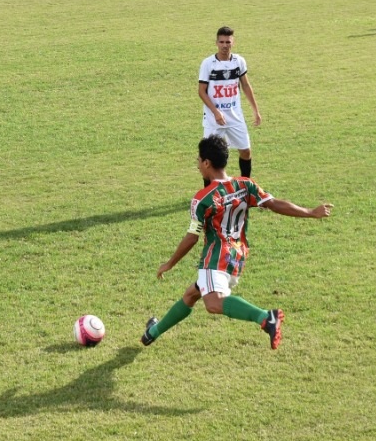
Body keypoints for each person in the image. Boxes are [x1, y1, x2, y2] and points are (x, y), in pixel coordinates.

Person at [140, 135, 332, 350]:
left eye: (198, 160)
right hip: (236, 257)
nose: (197, 165)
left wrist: (170, 263)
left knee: (213, 303)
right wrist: (310, 212)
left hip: (215, 257)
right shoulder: (245, 185)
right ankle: (152, 332)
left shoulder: (202, 198)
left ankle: (266, 317)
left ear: (206, 163)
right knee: (192, 294)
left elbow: (192, 237)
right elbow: (275, 204)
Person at [198, 26, 261, 180]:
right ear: (216, 43)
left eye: (228, 42)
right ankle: (210, 194)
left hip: (234, 116)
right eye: (221, 42)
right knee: (209, 158)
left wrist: (255, 111)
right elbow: (201, 91)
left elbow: (245, 85)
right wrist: (216, 112)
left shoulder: (239, 62)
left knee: (245, 151)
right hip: (214, 119)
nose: (225, 45)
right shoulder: (208, 64)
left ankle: (246, 187)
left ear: (233, 42)